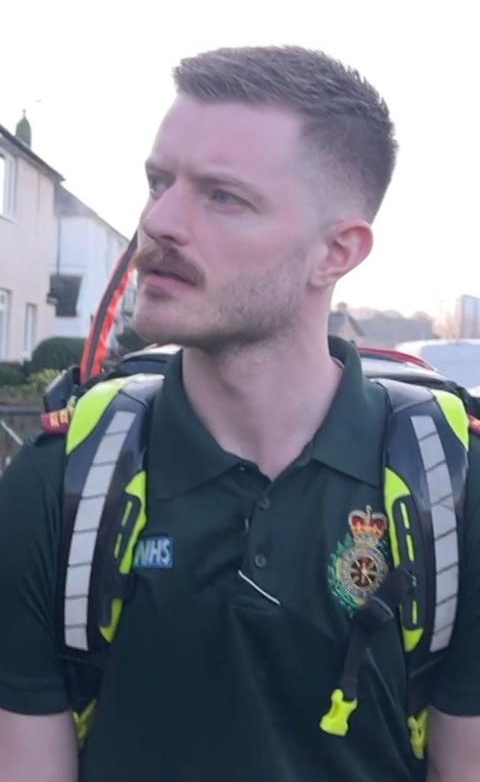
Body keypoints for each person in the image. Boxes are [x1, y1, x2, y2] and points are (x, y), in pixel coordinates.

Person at [1, 46, 479, 782]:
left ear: (337, 252)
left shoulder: (450, 489)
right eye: (158, 182)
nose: (158, 222)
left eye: (222, 196)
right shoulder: (62, 482)